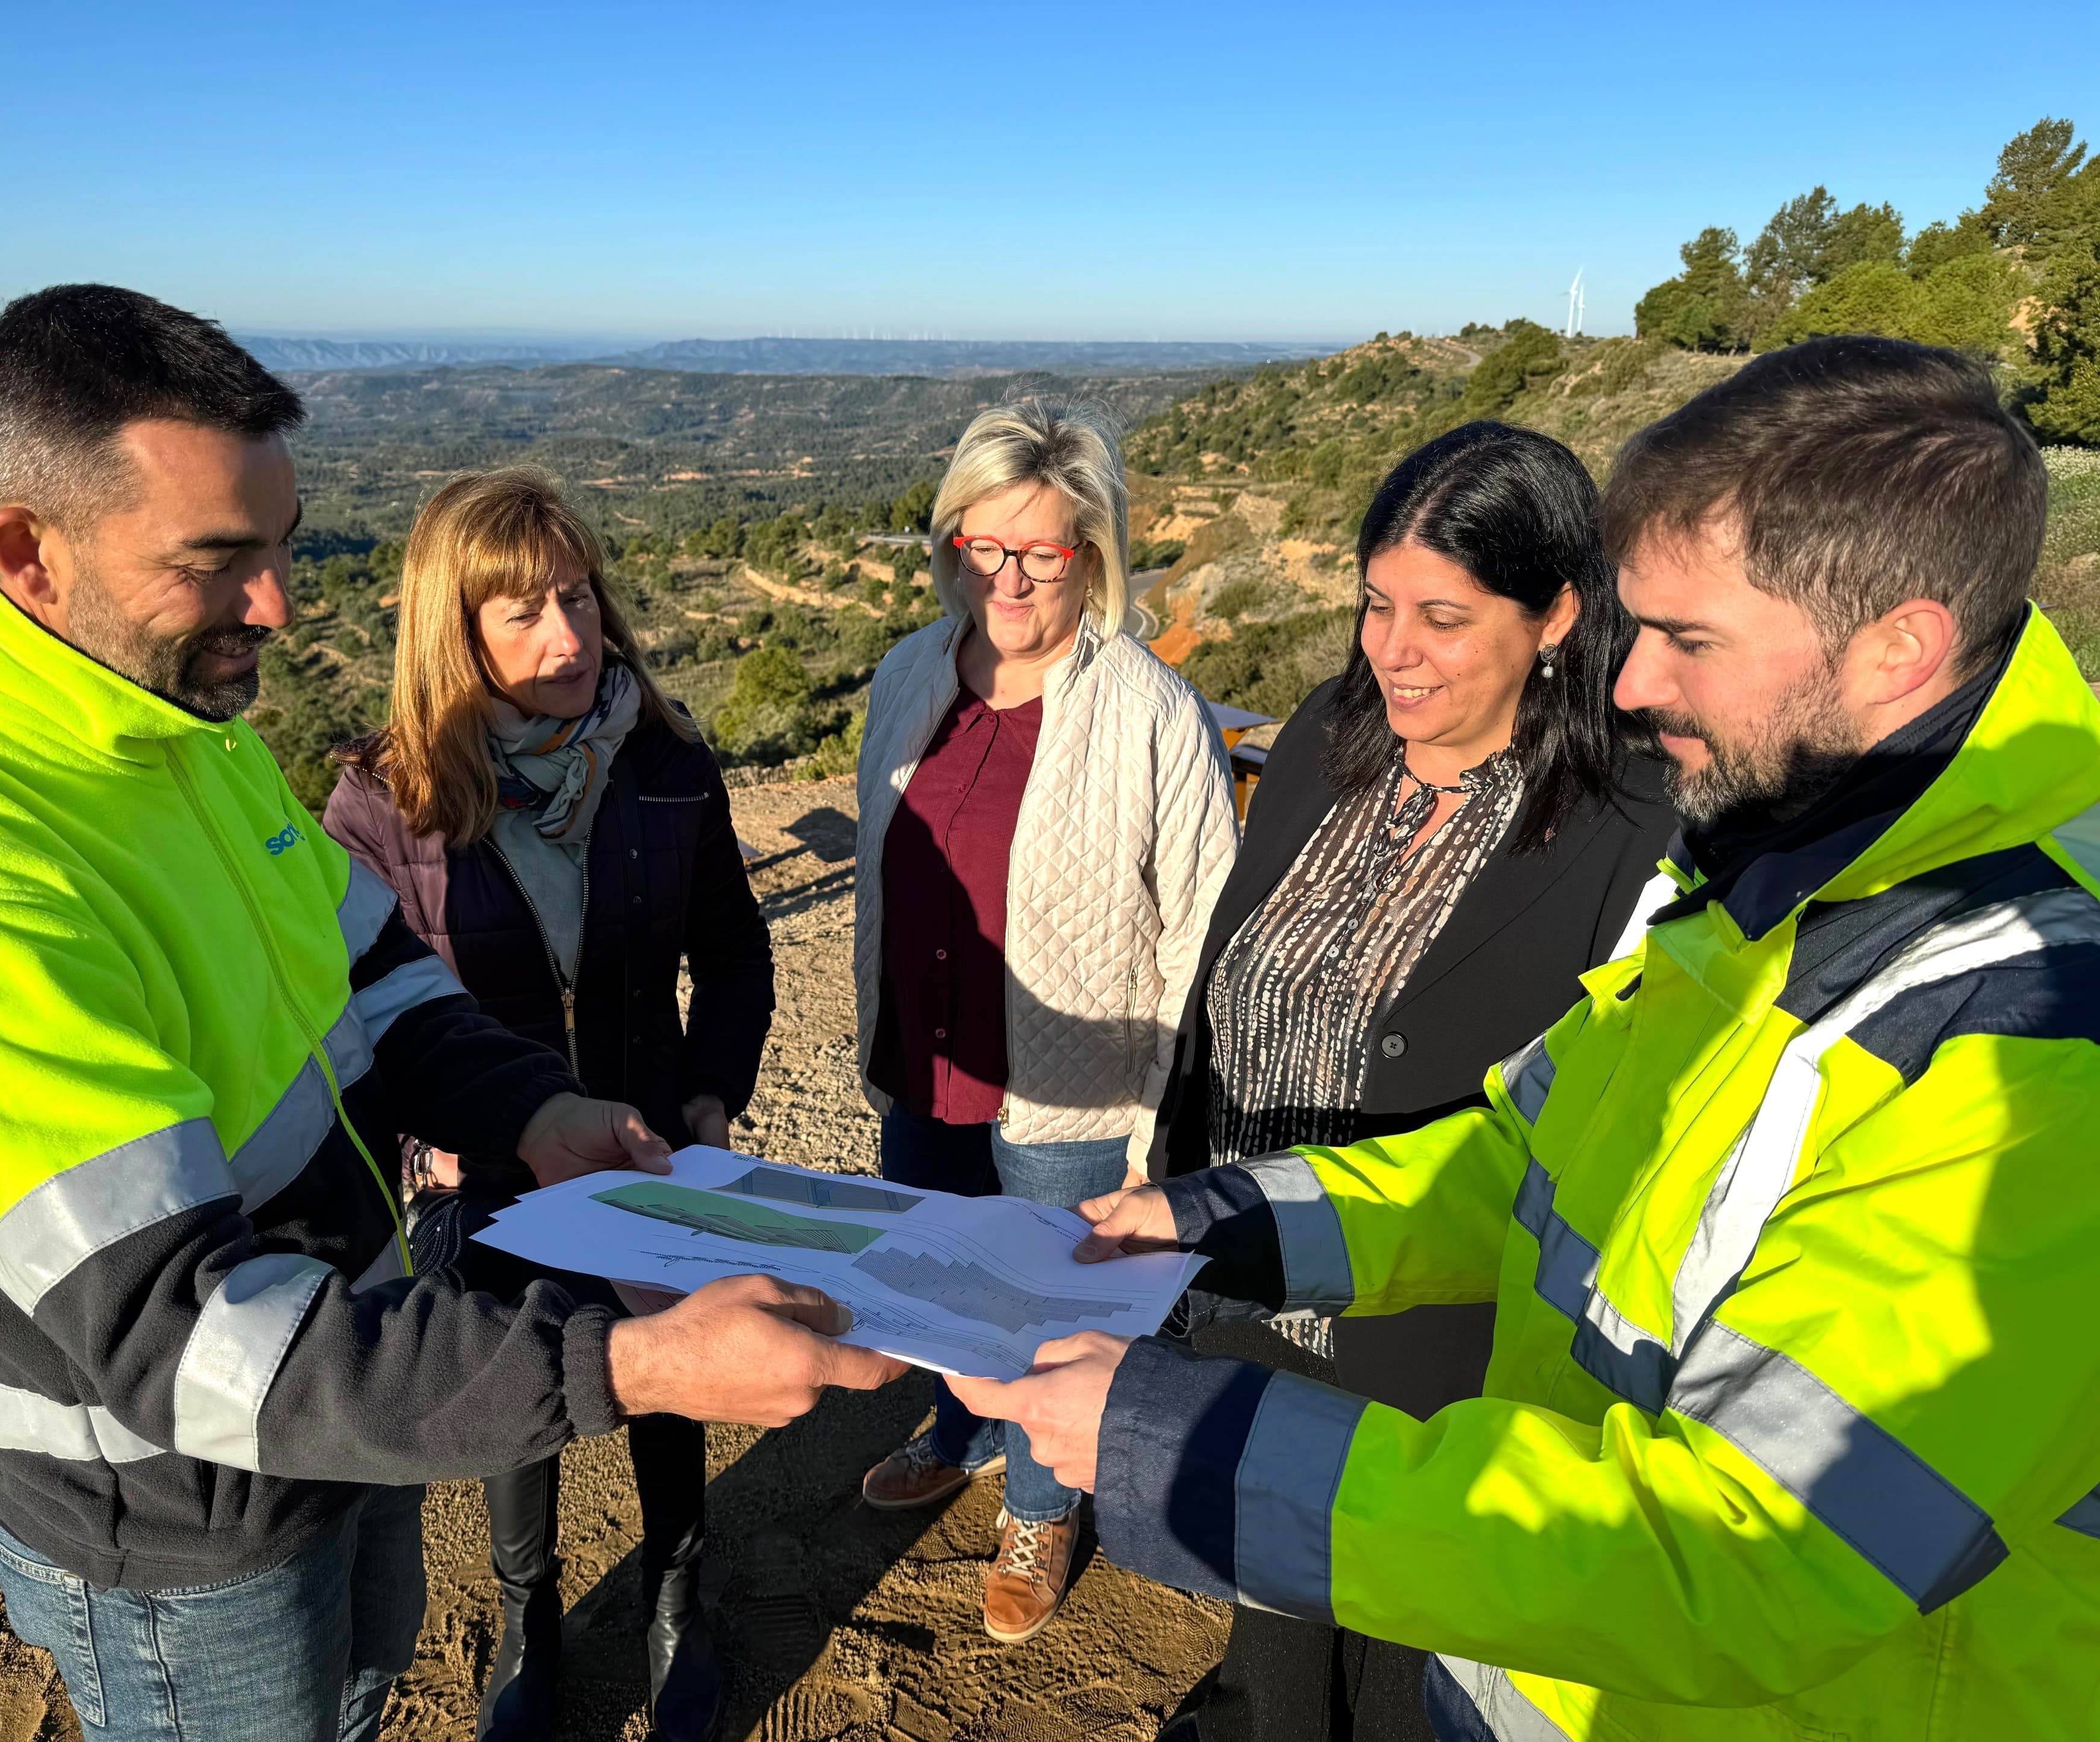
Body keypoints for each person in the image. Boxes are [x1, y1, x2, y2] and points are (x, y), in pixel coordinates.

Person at [0, 285, 902, 1742]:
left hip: (342, 1410)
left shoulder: (179, 733)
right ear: (28, 553)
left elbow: (369, 968)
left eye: (285, 545)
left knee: (362, 1703)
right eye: (220, 562)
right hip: (188, 1525)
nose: (279, 608)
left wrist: (532, 1110)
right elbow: (188, 1345)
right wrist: (637, 1364)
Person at [957, 337, 2100, 1742]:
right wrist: (1223, 1217)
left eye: (1688, 642)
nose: (1632, 688)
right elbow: (1529, 1153)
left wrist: (1173, 1442)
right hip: (1552, 1654)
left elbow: (1750, 1558)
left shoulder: (2036, 1032)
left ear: (1899, 647)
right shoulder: (1784, 862)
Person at [1146, 423, 1674, 1742]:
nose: (1393, 650)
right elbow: (1231, 960)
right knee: (1270, 1601)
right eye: (1378, 606)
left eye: (1442, 617)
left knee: (1405, 1662)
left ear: (1558, 614)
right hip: (1248, 1274)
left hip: (1439, 1345)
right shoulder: (1330, 733)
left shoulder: (1632, 820)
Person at [323, 467, 774, 1742]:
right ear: (449, 631)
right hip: (484, 1165)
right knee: (513, 1389)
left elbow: (736, 954)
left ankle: (678, 1587)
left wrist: (709, 1101)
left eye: (575, 597)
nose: (566, 639)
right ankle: (530, 1610)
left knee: (675, 1376)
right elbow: (356, 1010)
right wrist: (428, 1150)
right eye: (519, 612)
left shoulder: (671, 764)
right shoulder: (384, 800)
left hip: (649, 1146)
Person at [851, 399, 1239, 1643]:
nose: (1009, 577)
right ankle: (960, 1430)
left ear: (1092, 554)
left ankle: (1039, 1504)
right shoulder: (911, 672)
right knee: (941, 1279)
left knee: (1046, 1317)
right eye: (986, 544)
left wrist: (1162, 1118)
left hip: (1073, 1086)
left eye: (1043, 551)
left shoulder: (1150, 711)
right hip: (925, 1057)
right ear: (951, 540)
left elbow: (1203, 927)